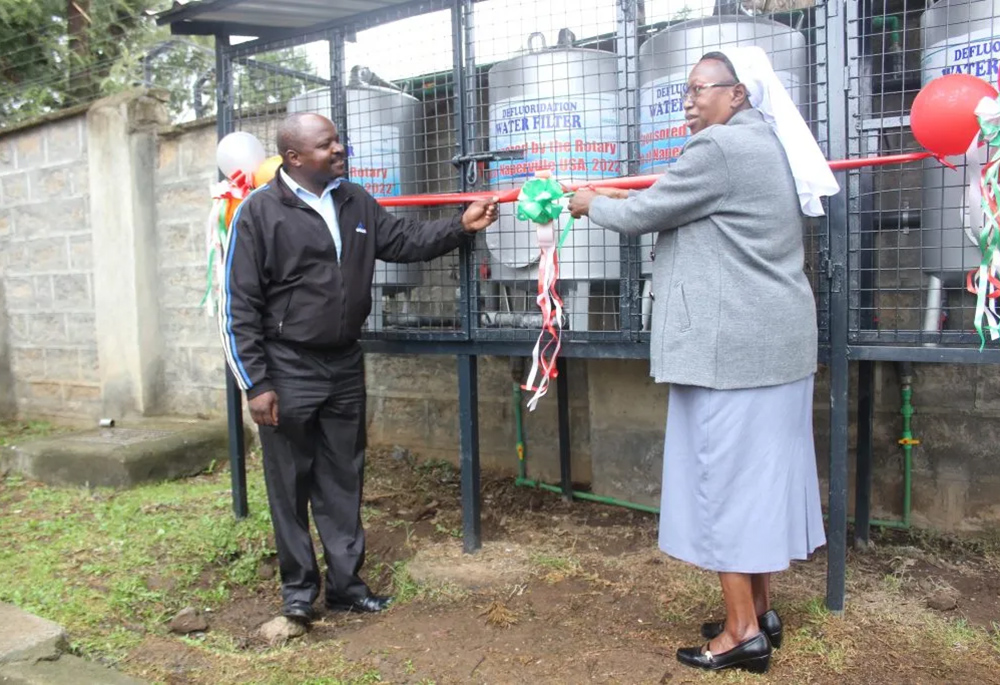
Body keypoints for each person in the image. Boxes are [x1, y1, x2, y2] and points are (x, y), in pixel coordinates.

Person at [569, 48, 838, 674]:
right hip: (774, 347)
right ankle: (761, 609)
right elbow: (677, 204)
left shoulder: (716, 150)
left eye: (700, 89)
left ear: (738, 94)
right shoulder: (763, 142)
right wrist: (616, 197)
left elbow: (642, 214)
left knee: (723, 484)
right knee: (760, 485)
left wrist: (589, 202)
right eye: (686, 89)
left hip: (732, 353)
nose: (688, 101)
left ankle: (743, 633)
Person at [221, 112, 498, 624]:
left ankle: (347, 586)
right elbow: (237, 303)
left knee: (343, 477)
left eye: (338, 140)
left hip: (344, 363)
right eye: (327, 145)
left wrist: (459, 225)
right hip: (287, 368)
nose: (340, 149)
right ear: (296, 157)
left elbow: (402, 241)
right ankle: (300, 592)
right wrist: (255, 383)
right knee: (290, 483)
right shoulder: (259, 213)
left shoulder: (354, 199)